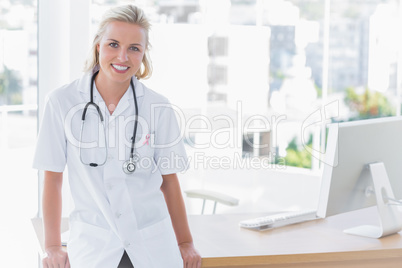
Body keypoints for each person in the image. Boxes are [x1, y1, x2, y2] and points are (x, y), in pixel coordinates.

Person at [33, 4, 201, 268]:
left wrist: (185, 243)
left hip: (153, 244)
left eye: (134, 48)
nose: (123, 57)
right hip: (95, 245)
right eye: (113, 44)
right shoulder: (61, 102)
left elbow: (169, 181)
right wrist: (52, 246)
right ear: (98, 45)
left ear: (143, 54)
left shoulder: (158, 106)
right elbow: (52, 178)